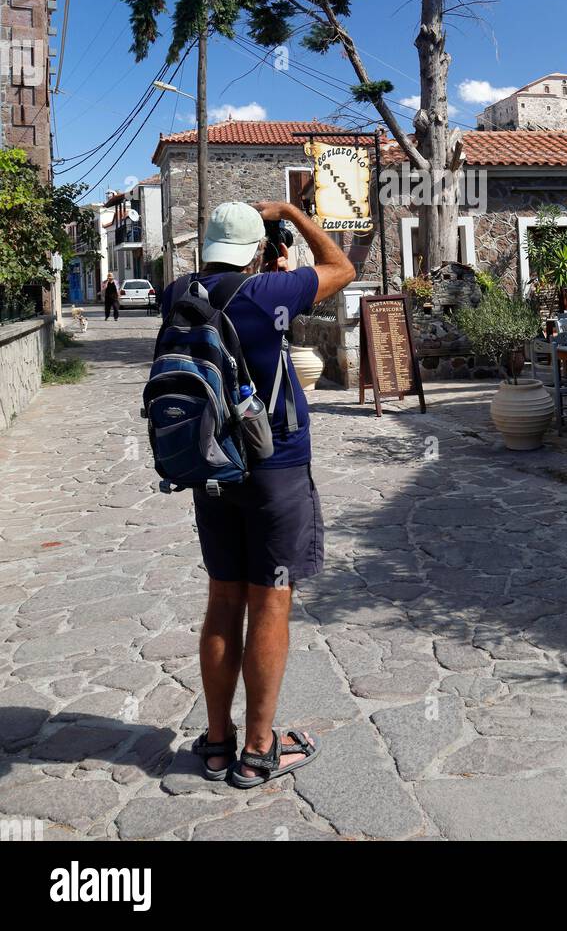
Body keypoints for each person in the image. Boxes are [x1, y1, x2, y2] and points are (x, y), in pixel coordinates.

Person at [161, 199, 355, 788]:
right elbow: (341, 267)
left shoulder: (177, 294)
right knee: (270, 601)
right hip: (276, 468)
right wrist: (294, 213)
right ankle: (259, 750)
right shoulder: (272, 292)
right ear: (257, 252)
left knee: (223, 599)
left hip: (211, 466)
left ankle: (217, 744)